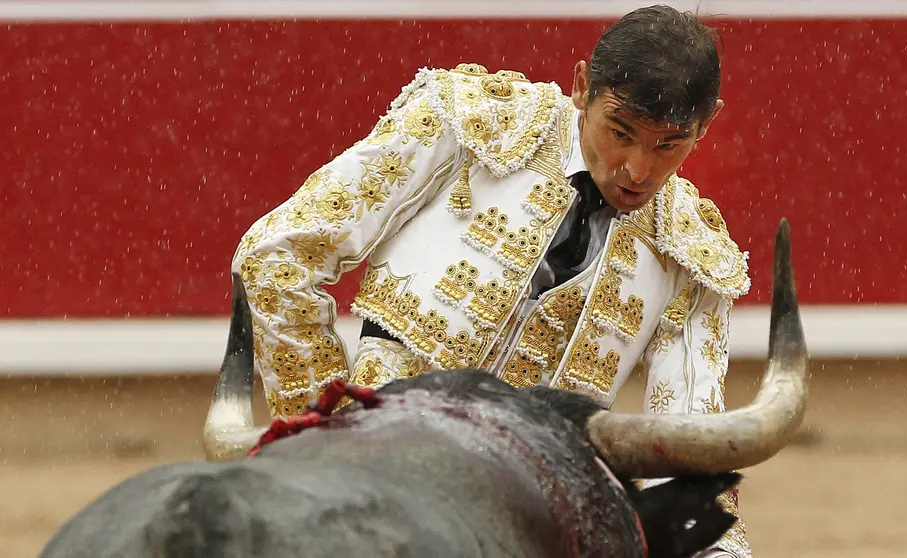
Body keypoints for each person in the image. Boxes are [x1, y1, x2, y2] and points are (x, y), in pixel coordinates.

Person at [231, 4, 752, 556]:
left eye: (669, 144)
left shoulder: (692, 255)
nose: (638, 170)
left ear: (708, 122)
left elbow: (688, 453)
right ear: (580, 87)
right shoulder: (471, 124)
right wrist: (326, 434)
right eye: (620, 131)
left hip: (531, 514)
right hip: (381, 468)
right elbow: (277, 255)